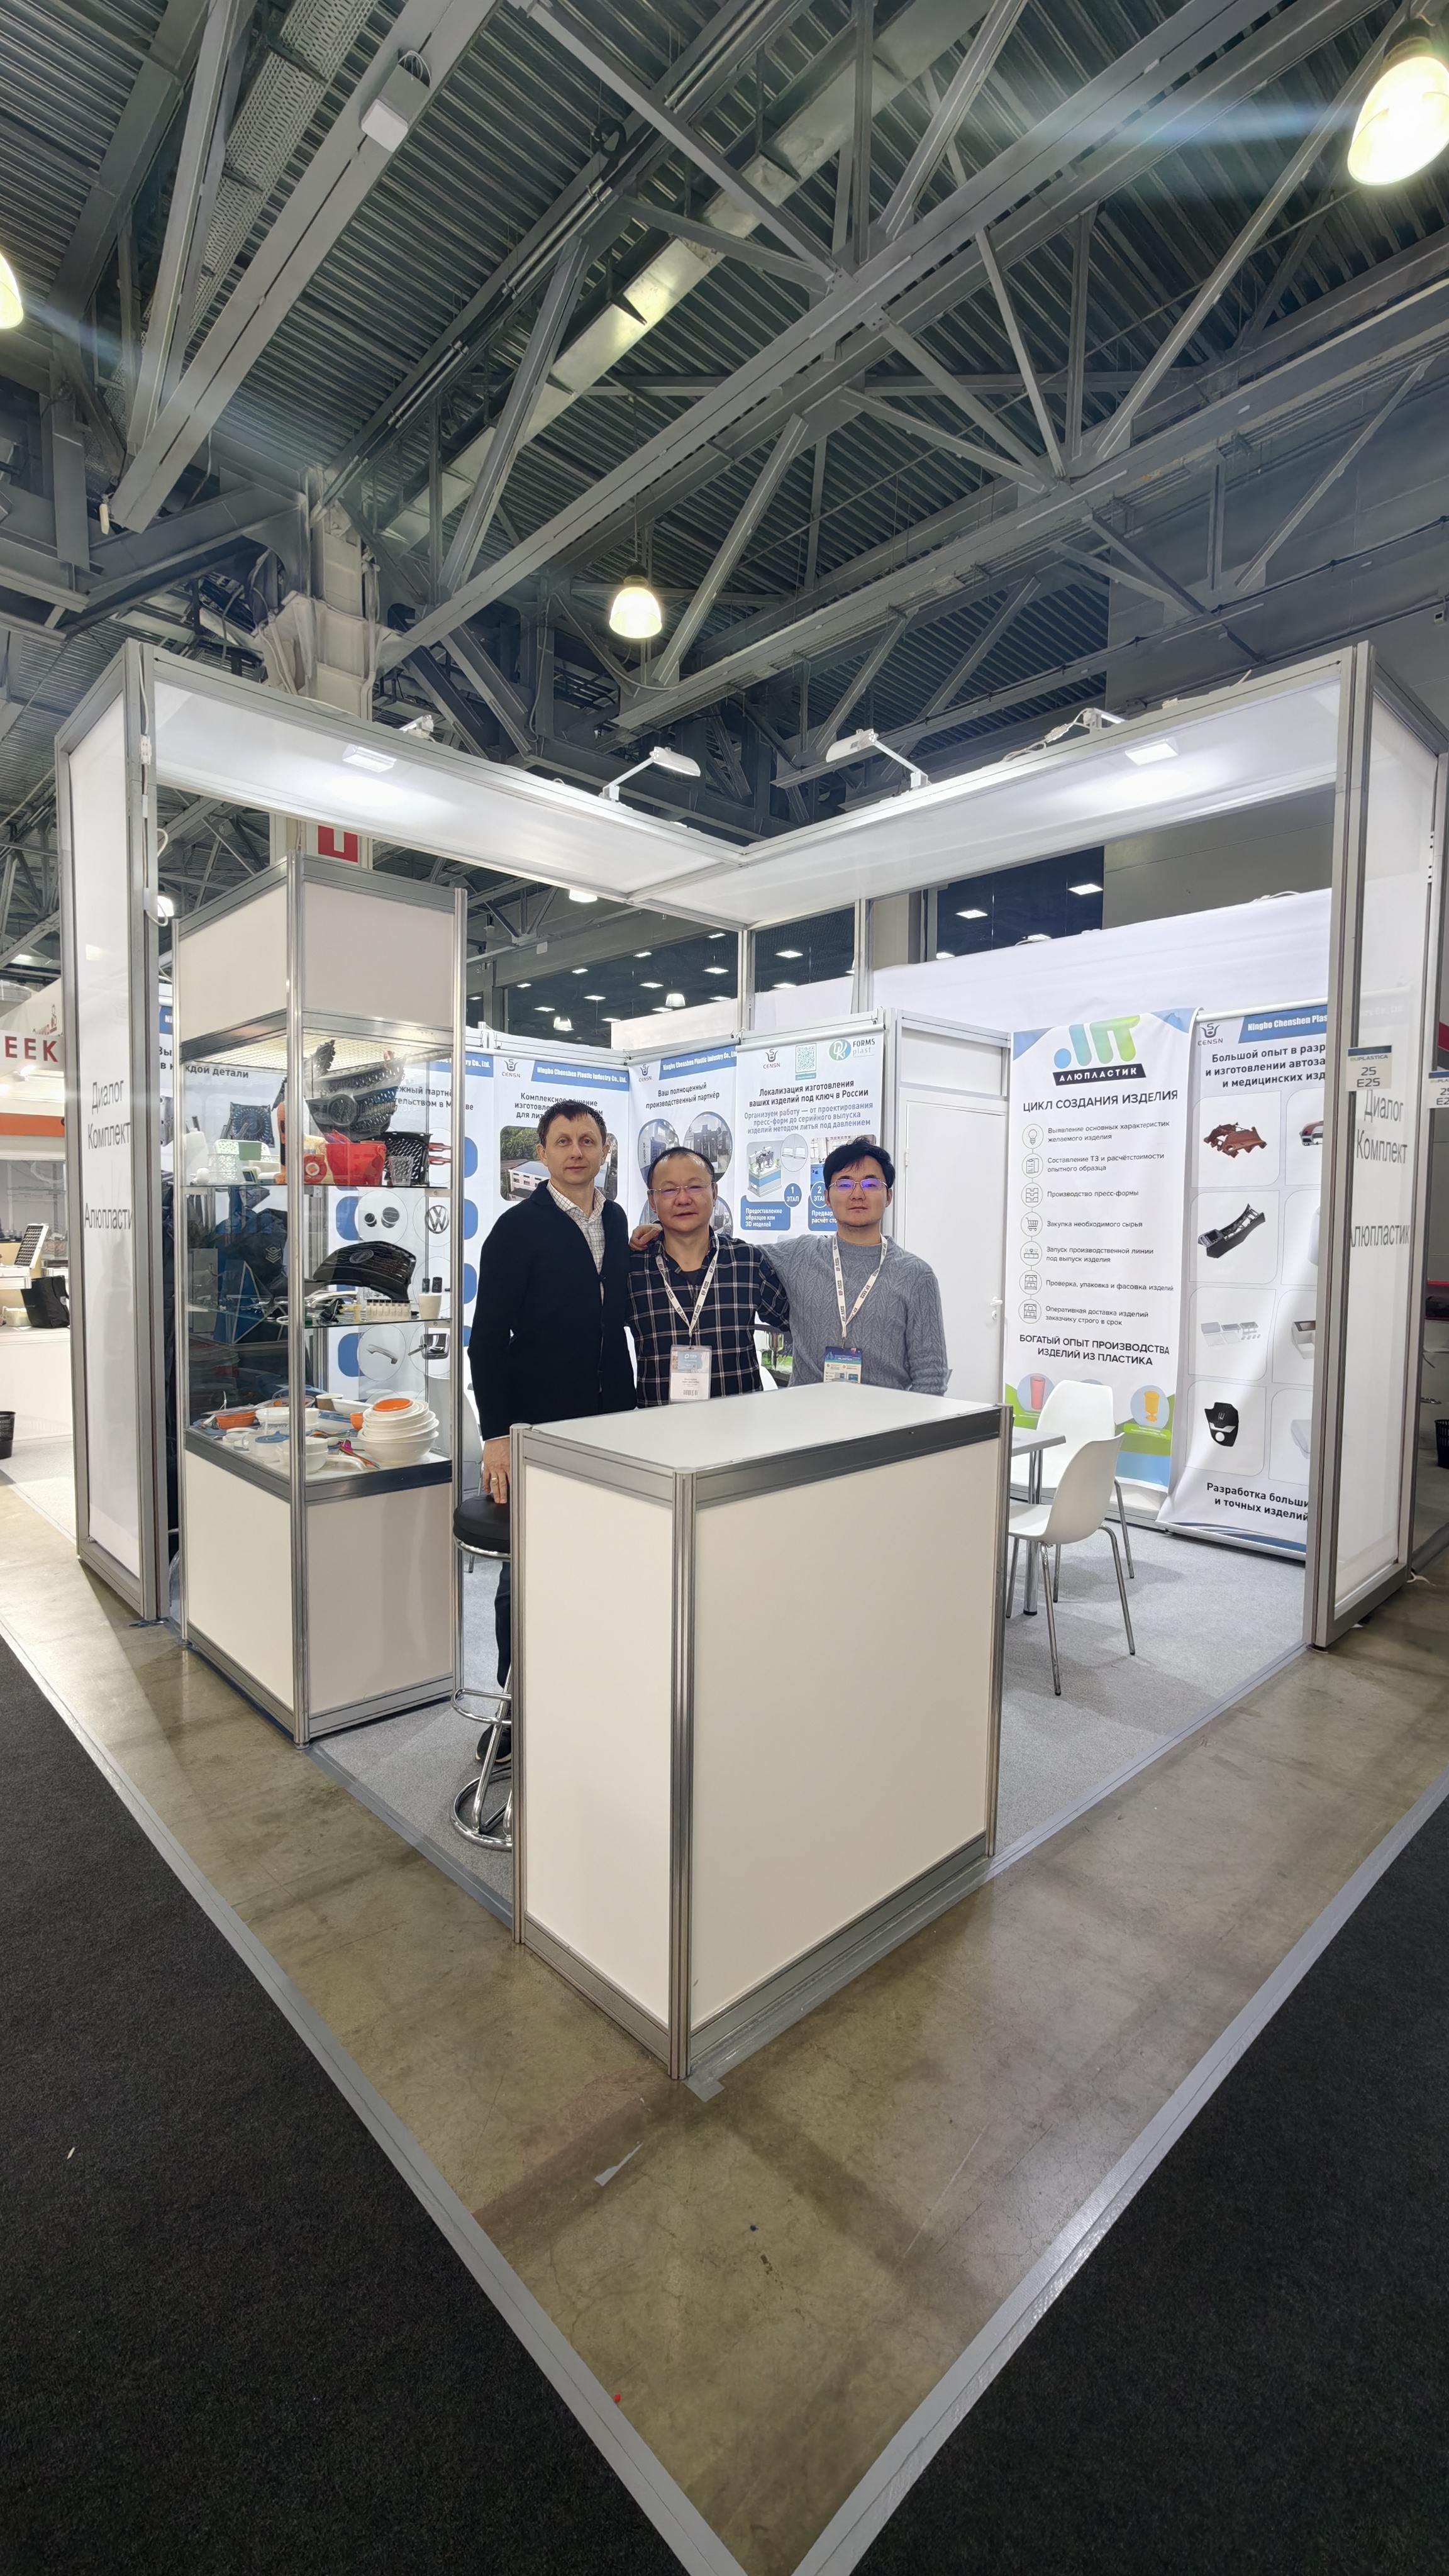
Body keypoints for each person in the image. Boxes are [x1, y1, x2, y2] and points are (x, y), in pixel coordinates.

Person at [470, 1100, 635, 1685]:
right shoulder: (516, 1230)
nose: (576, 1152)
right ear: (541, 1154)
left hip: (612, 1423)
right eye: (562, 1142)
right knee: (526, 1565)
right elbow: (487, 1342)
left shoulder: (617, 1221)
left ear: (605, 1150)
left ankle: (583, 1684)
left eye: (587, 1141)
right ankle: (515, 1699)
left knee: (601, 1555)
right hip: (539, 1427)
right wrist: (496, 1436)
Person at [767, 1138, 949, 1393]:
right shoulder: (799, 1256)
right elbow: (731, 1255)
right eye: (844, 1184)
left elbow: (931, 1377)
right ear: (826, 1198)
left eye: (871, 1184)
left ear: (888, 1196)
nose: (857, 1194)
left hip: (885, 1417)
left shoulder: (916, 1276)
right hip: (806, 1415)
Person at [628, 1146, 790, 1406]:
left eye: (695, 1187)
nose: (683, 1199)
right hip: (658, 1423)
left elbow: (796, 1323)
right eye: (669, 1190)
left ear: (714, 1193)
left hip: (738, 1420)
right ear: (652, 1201)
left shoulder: (747, 1261)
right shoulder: (632, 1269)